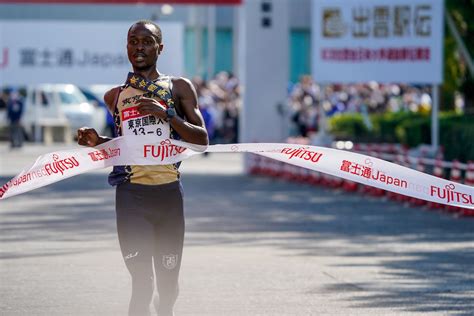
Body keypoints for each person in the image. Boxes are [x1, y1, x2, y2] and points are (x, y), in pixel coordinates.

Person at [77, 20, 208, 316]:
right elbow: (127, 144)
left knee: (167, 284)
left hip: (169, 198)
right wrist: (99, 142)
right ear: (126, 47)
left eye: (147, 41)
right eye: (133, 41)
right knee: (142, 282)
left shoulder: (179, 87)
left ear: (159, 48)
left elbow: (202, 141)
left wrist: (168, 115)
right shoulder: (115, 97)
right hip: (131, 198)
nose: (139, 47)